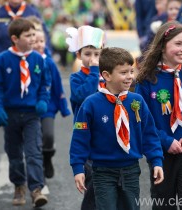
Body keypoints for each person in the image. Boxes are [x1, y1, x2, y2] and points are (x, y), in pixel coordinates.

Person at [69, 47, 164, 210]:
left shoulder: (138, 101)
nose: (130, 77)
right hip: (103, 172)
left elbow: (149, 134)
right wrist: (78, 168)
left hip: (131, 170)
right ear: (106, 75)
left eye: (131, 71)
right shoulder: (90, 104)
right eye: (123, 73)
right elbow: (80, 139)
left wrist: (156, 160)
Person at [135, 21, 182, 209]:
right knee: (163, 204)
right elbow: (142, 120)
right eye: (178, 44)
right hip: (159, 153)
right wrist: (165, 141)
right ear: (162, 46)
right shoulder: (146, 82)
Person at [0, 18, 50, 207]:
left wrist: (42, 101)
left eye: (34, 34)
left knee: (33, 152)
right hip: (11, 114)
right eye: (28, 35)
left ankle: (36, 189)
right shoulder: (3, 60)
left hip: (32, 114)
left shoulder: (38, 59)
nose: (33, 38)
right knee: (14, 155)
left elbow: (45, 84)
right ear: (15, 38)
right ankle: (18, 186)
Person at [66, 25, 105, 210]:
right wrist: (95, 73)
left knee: (107, 184)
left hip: (107, 137)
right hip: (86, 137)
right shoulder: (76, 78)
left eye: (97, 54)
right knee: (94, 184)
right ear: (79, 55)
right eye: (88, 54)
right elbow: (84, 97)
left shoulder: (107, 77)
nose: (93, 59)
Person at [31, 20, 71, 180]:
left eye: (42, 41)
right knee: (33, 140)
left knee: (48, 136)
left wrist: (63, 107)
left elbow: (57, 87)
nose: (39, 45)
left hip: (48, 107)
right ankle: (36, 172)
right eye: (35, 42)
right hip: (30, 108)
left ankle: (47, 157)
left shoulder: (49, 62)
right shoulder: (26, 61)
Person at [0, 0, 51, 80]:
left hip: (30, 67)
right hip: (4, 68)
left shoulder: (33, 12)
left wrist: (47, 62)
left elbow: (45, 40)